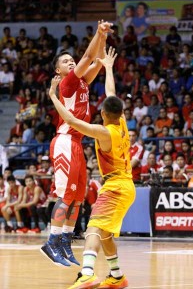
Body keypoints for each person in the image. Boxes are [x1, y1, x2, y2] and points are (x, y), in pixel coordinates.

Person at [49, 46, 135, 288]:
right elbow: (111, 93)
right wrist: (107, 67)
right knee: (106, 233)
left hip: (116, 186)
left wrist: (54, 96)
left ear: (105, 114)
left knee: (94, 230)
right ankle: (117, 276)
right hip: (127, 185)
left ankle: (86, 273)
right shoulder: (122, 123)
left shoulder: (102, 131)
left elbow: (71, 120)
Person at [40, 20, 113, 268]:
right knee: (66, 196)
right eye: (65, 61)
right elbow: (88, 55)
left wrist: (102, 39)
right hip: (64, 141)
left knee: (78, 198)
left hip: (77, 142)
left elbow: (97, 61)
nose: (70, 61)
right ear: (58, 71)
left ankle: (65, 242)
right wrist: (98, 33)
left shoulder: (82, 82)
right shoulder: (67, 83)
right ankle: (51, 241)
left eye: (71, 59)